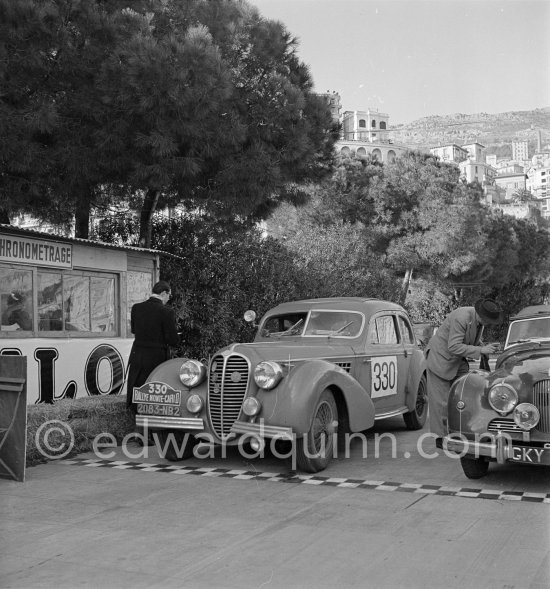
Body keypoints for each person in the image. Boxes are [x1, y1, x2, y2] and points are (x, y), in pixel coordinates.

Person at [426, 298, 504, 446]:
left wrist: (485, 347)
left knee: (465, 396)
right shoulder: (462, 317)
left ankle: (462, 432)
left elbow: (470, 339)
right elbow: (454, 346)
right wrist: (481, 350)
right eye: (488, 320)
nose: (489, 323)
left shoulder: (478, 321)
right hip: (440, 360)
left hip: (457, 362)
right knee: (441, 402)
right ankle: (442, 439)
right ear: (481, 314)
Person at [126, 280, 179, 415]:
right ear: (163, 293)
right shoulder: (167, 312)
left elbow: (134, 330)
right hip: (157, 357)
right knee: (154, 393)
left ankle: (136, 425)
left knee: (137, 390)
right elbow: (172, 340)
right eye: (169, 295)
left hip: (138, 354)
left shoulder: (136, 308)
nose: (169, 299)